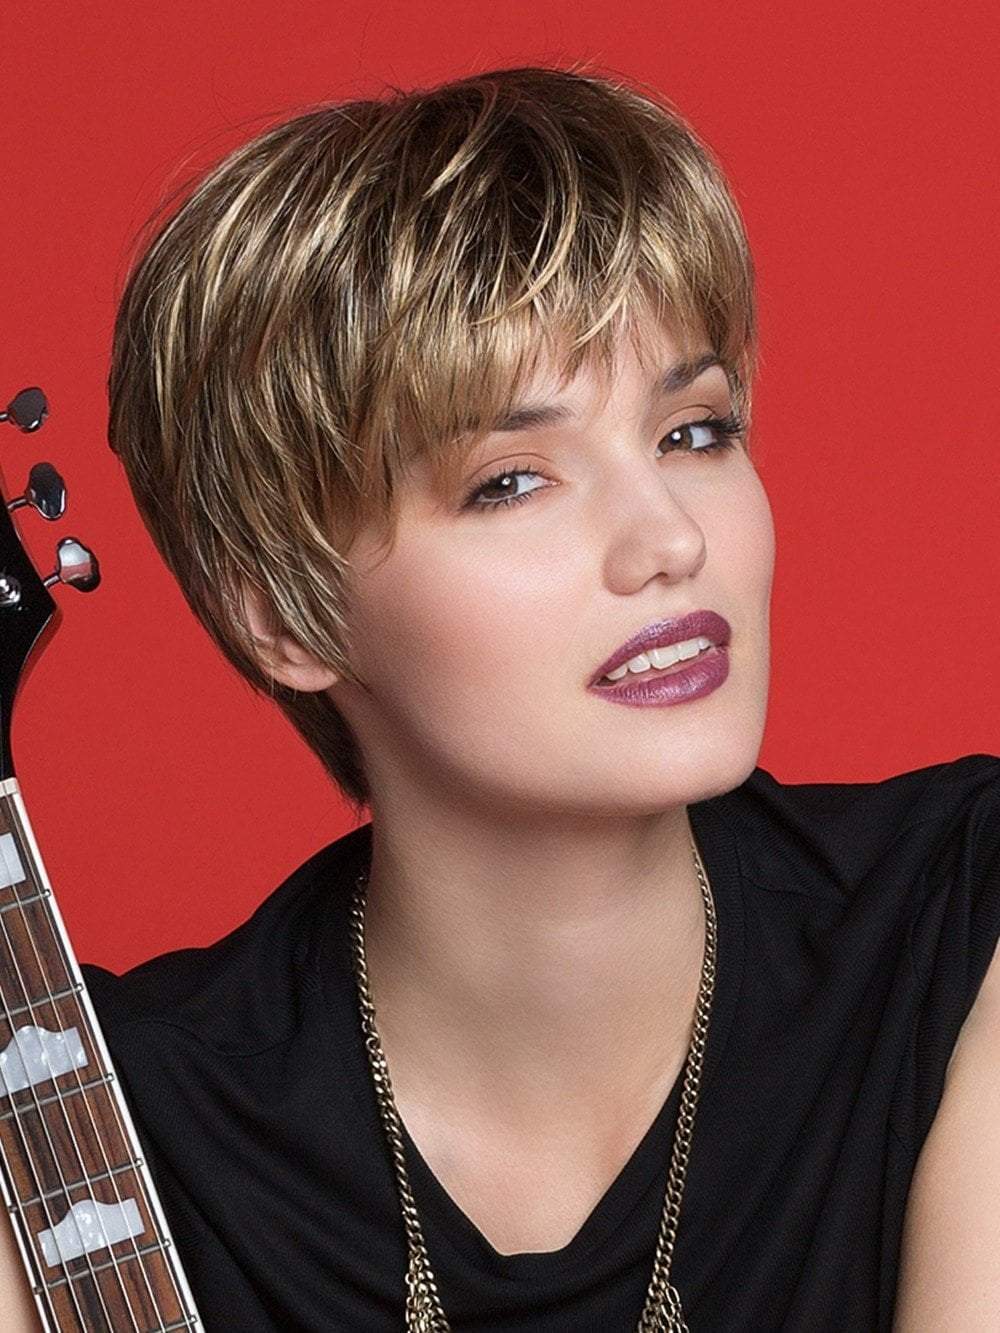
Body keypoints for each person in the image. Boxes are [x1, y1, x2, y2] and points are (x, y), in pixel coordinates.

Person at [2, 62, 997, 1331]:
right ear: (288, 614)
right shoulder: (87, 1139)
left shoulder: (957, 925)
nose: (669, 539)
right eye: (510, 481)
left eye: (692, 431)